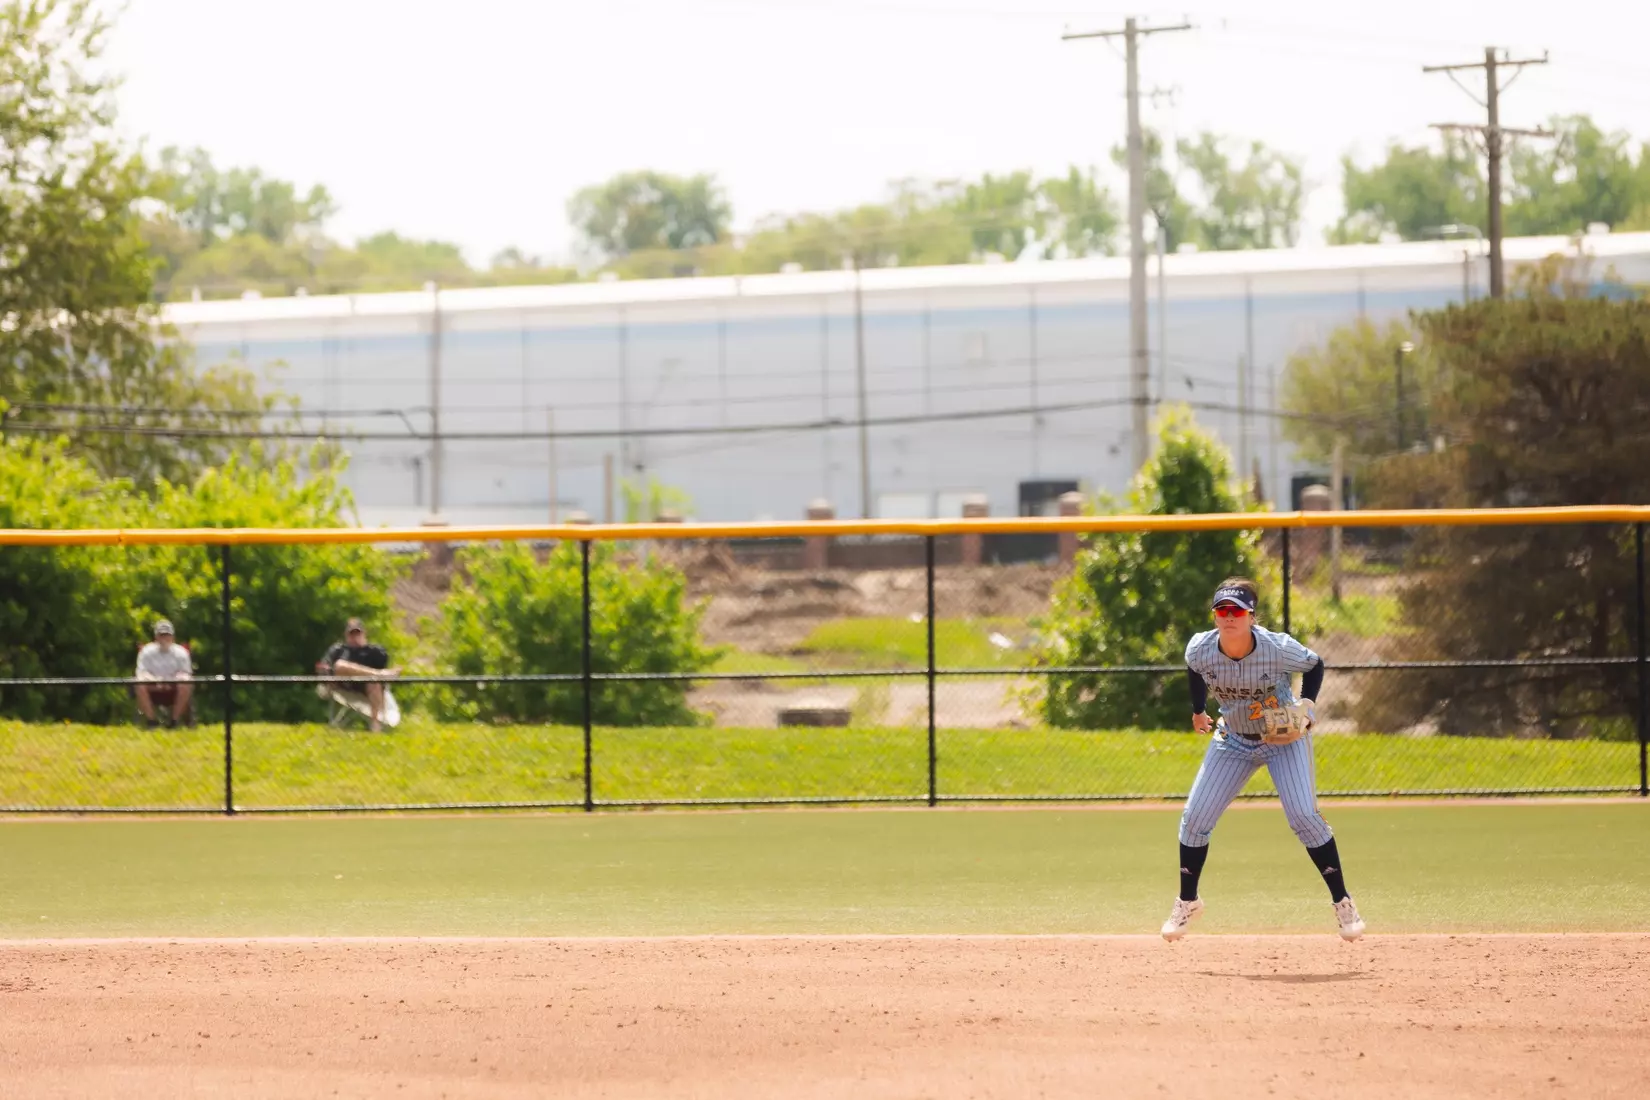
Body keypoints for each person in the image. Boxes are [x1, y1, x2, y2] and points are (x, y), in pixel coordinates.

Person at [1160, 577, 1366, 943]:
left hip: (1282, 739)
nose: (1228, 616)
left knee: (1304, 816)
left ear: (1252, 616)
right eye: (1222, 610)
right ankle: (1187, 901)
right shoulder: (1200, 649)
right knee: (1194, 819)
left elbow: (1315, 665)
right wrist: (1197, 711)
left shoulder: (1276, 648)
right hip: (1233, 739)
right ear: (1214, 616)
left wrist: (1307, 704)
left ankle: (1343, 903)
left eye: (1236, 610)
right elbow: (1194, 671)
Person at [319, 618, 399, 732]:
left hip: (367, 689)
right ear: (346, 635)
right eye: (351, 634)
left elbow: (382, 678)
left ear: (364, 633)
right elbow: (328, 668)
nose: (355, 637)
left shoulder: (375, 651)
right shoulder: (338, 650)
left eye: (358, 633)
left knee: (375, 682)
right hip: (343, 686)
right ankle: (379, 674)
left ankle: (375, 726)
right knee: (340, 665)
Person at [135, 620, 193, 727]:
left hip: (174, 686)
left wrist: (172, 681)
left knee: (186, 684)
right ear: (156, 637)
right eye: (161, 635)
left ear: (172, 637)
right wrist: (155, 681)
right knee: (139, 684)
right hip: (153, 685)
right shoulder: (146, 652)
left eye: (167, 635)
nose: (164, 638)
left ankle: (174, 721)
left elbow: (185, 673)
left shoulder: (181, 653)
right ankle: (151, 721)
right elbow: (142, 672)